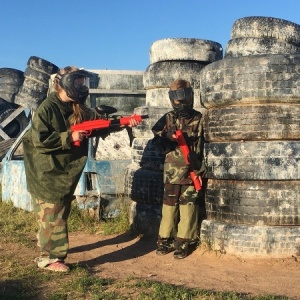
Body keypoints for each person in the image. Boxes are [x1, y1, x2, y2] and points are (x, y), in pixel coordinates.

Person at [23, 66, 140, 272]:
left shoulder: (78, 107)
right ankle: (49, 258)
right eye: (78, 82)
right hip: (46, 171)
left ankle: (48, 247)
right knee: (53, 213)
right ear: (66, 83)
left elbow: (97, 123)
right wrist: (70, 137)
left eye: (82, 82)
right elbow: (39, 140)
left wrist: (123, 123)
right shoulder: (48, 108)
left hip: (63, 171)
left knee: (57, 213)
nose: (82, 86)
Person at [152, 79, 206, 259]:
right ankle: (165, 240)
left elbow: (205, 144)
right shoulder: (168, 118)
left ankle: (184, 242)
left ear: (190, 97)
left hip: (191, 171)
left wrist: (199, 163)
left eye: (183, 100)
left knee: (188, 207)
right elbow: (156, 134)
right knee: (169, 207)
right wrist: (167, 137)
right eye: (177, 101)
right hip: (171, 172)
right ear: (172, 100)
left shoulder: (199, 118)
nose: (180, 105)